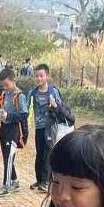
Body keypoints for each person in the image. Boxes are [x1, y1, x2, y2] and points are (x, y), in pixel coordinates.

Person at [0, 68, 28, 197]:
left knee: (9, 158)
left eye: (7, 85)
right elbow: (2, 110)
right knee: (7, 157)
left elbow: (24, 115)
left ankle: (5, 187)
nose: (5, 88)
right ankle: (15, 182)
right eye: (3, 86)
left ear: (14, 81)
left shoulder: (19, 95)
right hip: (4, 129)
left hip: (14, 130)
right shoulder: (5, 94)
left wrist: (9, 116)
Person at [28, 63, 63, 191]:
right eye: (36, 76)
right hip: (39, 127)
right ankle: (40, 180)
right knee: (39, 153)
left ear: (48, 76)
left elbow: (61, 108)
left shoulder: (53, 91)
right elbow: (27, 108)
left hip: (50, 127)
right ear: (34, 77)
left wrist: (55, 105)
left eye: (41, 76)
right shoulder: (32, 93)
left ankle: (48, 181)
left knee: (48, 153)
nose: (39, 78)